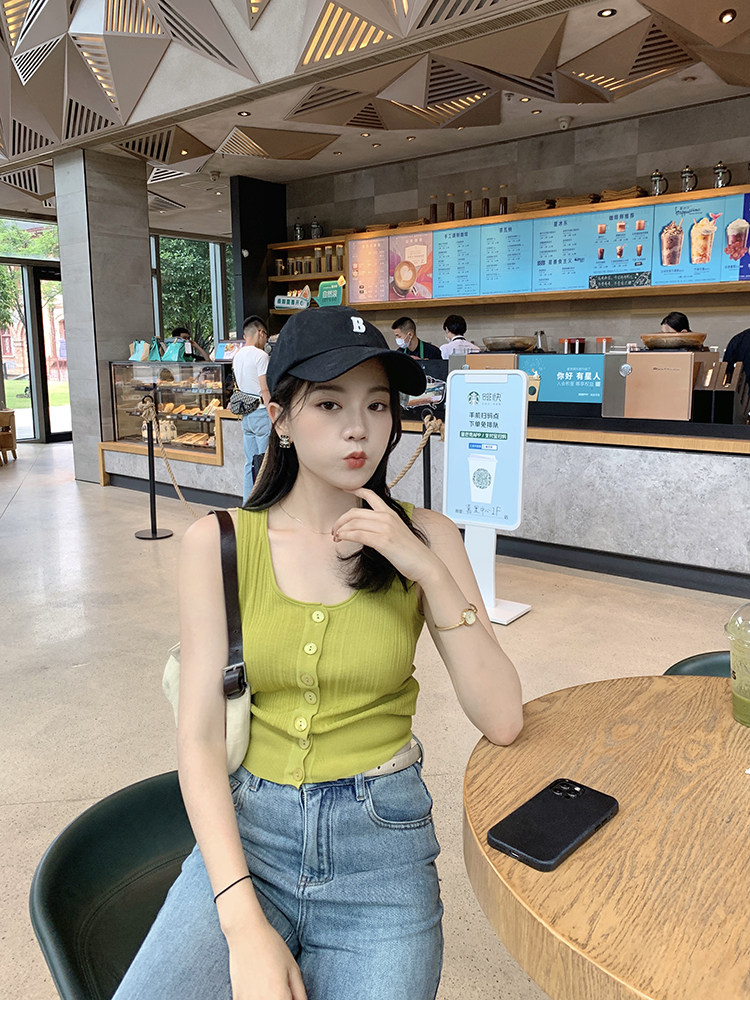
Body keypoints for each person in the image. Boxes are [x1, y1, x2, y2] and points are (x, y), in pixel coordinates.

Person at [114, 305, 523, 1001]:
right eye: (330, 404)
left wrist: (425, 569)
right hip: (250, 844)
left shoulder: (430, 536)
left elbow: (504, 718)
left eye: (376, 405)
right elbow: (199, 741)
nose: (358, 428)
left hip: (381, 856)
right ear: (279, 417)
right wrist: (242, 922)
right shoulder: (219, 544)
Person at [232, 316, 271, 504]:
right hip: (261, 413)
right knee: (265, 463)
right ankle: (263, 502)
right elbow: (265, 389)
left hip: (246, 414)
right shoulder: (261, 356)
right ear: (261, 333)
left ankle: (248, 503)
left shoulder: (237, 356)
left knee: (250, 462)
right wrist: (273, 414)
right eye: (266, 336)